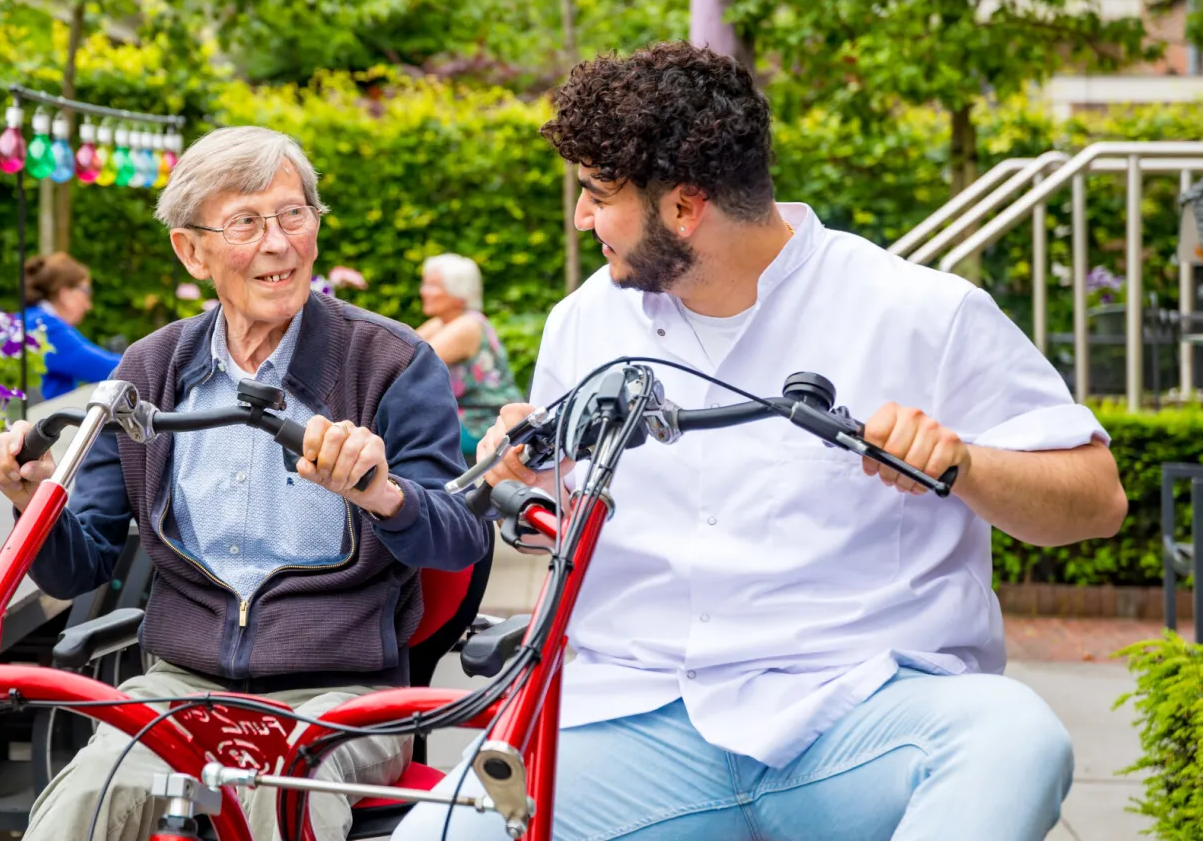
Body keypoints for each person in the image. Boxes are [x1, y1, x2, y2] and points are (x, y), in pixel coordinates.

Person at [394, 42, 1127, 841]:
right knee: (446, 830)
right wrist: (517, 466)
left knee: (1014, 740)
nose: (580, 218)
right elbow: (558, 519)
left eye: (598, 194)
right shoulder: (585, 322)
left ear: (684, 206)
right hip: (632, 721)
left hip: (856, 713)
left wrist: (967, 465)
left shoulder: (920, 311)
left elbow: (1097, 501)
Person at [0, 126, 490, 841]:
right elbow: (78, 563)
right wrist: (30, 498)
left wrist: (381, 492)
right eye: (246, 223)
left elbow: (462, 534)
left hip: (339, 695)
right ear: (192, 250)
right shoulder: (147, 375)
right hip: (178, 689)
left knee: (271, 804)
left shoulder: (391, 362)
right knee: (80, 807)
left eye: (293, 215)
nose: (278, 243)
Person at [414, 254, 522, 457]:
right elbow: (395, 346)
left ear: (459, 292)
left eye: (433, 286)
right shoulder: (443, 322)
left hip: (485, 422)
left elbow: (407, 364)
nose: (423, 291)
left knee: (405, 437)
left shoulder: (467, 326)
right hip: (464, 416)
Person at [22, 252, 122, 399]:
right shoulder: (47, 328)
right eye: (87, 291)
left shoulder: (27, 319)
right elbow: (109, 370)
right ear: (65, 294)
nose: (89, 305)